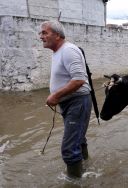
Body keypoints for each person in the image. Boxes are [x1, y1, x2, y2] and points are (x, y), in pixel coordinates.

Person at [39, 20, 92, 178]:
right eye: (40, 33)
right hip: (70, 103)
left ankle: (75, 182)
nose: (40, 36)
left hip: (78, 102)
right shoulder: (58, 51)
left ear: (57, 35)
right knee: (78, 139)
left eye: (44, 33)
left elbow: (79, 80)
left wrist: (55, 95)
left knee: (69, 150)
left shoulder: (68, 50)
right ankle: (86, 169)